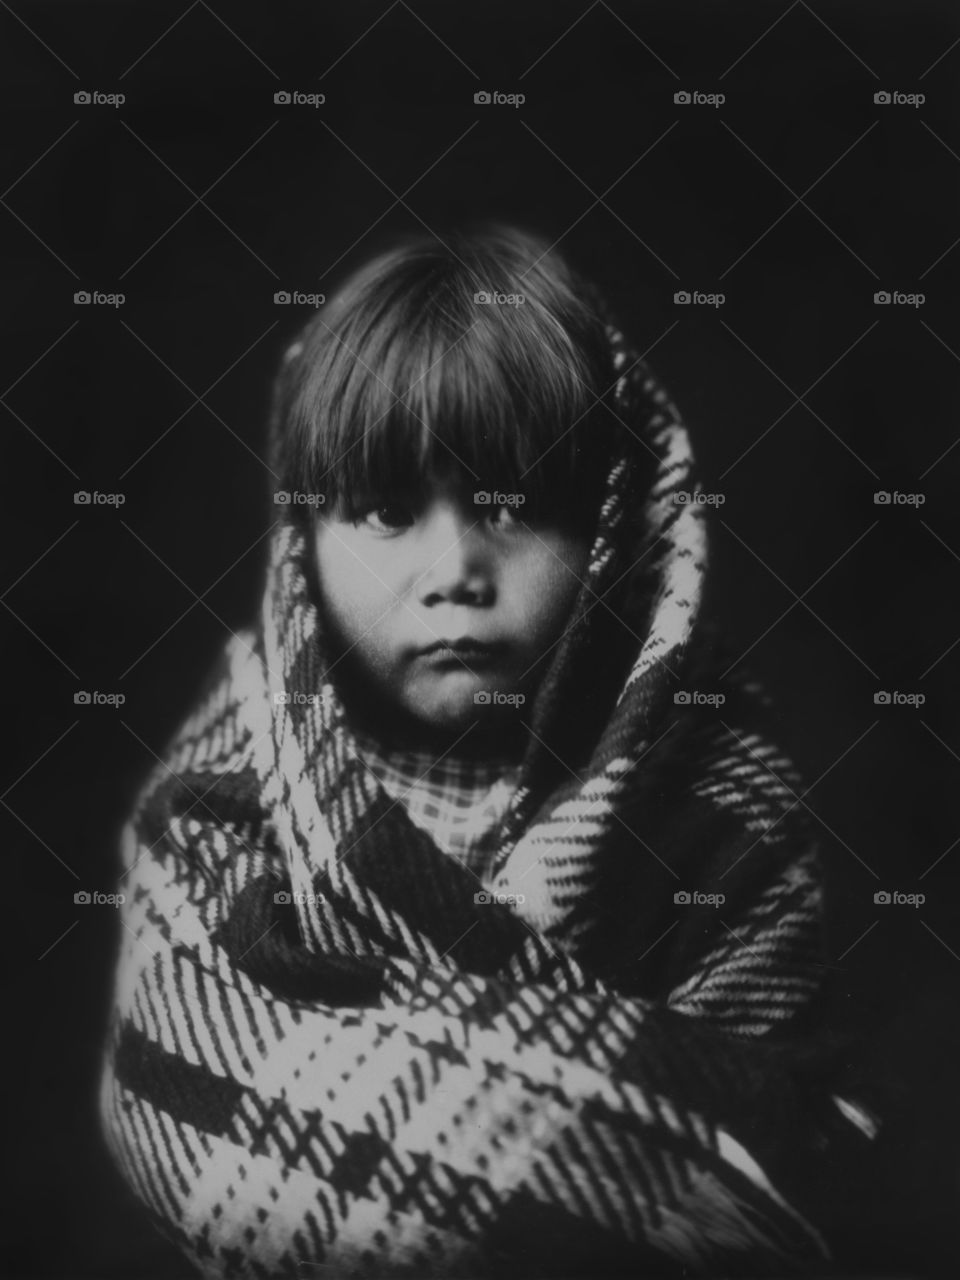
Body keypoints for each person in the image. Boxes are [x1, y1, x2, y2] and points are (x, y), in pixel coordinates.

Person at [99, 223, 877, 1278]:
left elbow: (777, 1156)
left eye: (518, 506)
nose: (456, 567)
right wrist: (617, 1153)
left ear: (614, 522)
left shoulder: (721, 795)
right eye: (382, 509)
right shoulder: (226, 782)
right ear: (302, 542)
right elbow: (172, 1080)